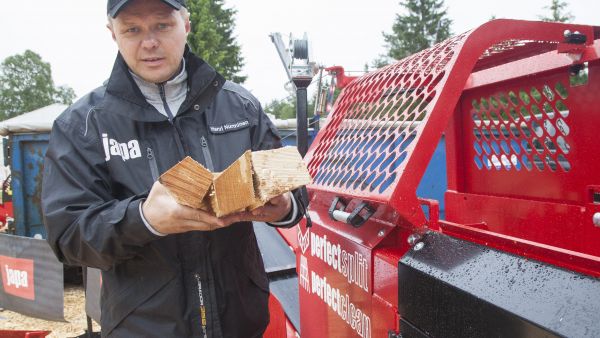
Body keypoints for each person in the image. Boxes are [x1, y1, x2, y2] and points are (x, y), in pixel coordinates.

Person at [41, 0, 306, 336]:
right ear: (113, 34)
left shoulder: (240, 106)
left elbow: (294, 194)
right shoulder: (83, 125)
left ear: (186, 25)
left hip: (240, 322)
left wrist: (284, 206)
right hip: (142, 328)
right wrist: (143, 220)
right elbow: (68, 237)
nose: (149, 42)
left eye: (162, 26)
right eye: (133, 29)